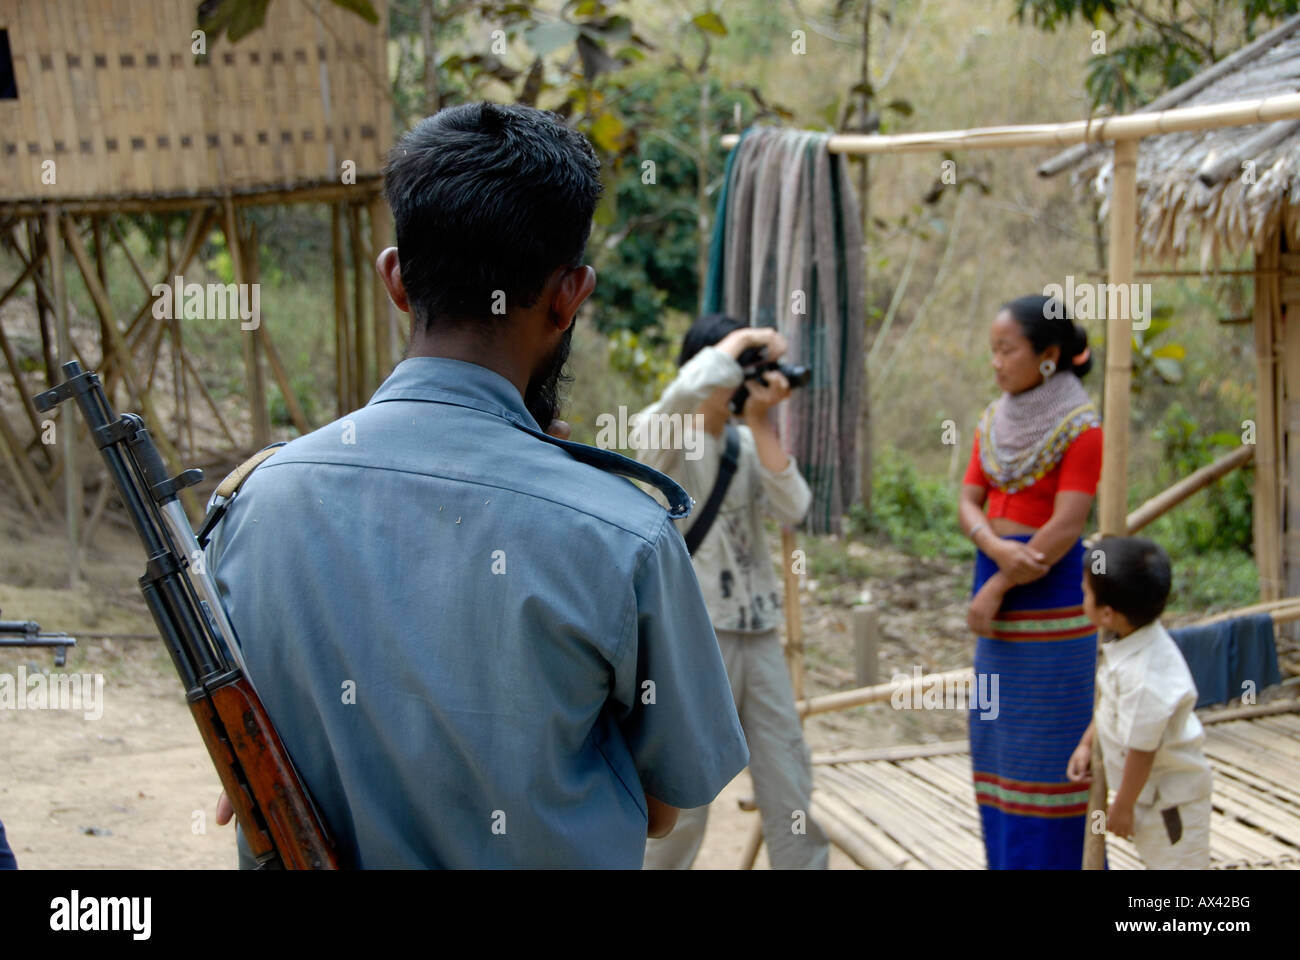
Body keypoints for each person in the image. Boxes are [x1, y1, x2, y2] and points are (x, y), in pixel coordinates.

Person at [206, 102, 749, 868]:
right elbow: (665, 806)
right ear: (571, 295)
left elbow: (244, 760)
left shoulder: (251, 507)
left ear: (396, 278)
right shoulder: (622, 534)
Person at [631, 313, 829, 870]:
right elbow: (668, 409)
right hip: (694, 636)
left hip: (759, 633)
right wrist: (738, 344)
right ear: (711, 367)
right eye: (744, 366)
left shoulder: (743, 444)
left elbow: (795, 507)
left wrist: (764, 420)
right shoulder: (666, 436)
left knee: (788, 778)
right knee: (682, 793)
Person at [958, 294, 1103, 869]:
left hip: (1053, 603)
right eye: (992, 349)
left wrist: (998, 583)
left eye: (1006, 349)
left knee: (1050, 755)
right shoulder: (993, 421)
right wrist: (993, 549)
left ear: (1047, 355)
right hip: (999, 590)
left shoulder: (1081, 428)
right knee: (998, 749)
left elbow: (1067, 523)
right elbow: (970, 501)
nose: (995, 361)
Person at [1068, 536, 1213, 869]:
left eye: (1086, 590)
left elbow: (1142, 750)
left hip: (1169, 804)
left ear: (1107, 613)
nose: (1080, 591)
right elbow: (1111, 704)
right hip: (1146, 795)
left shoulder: (1146, 676)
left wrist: (1121, 806)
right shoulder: (1125, 636)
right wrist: (1088, 743)